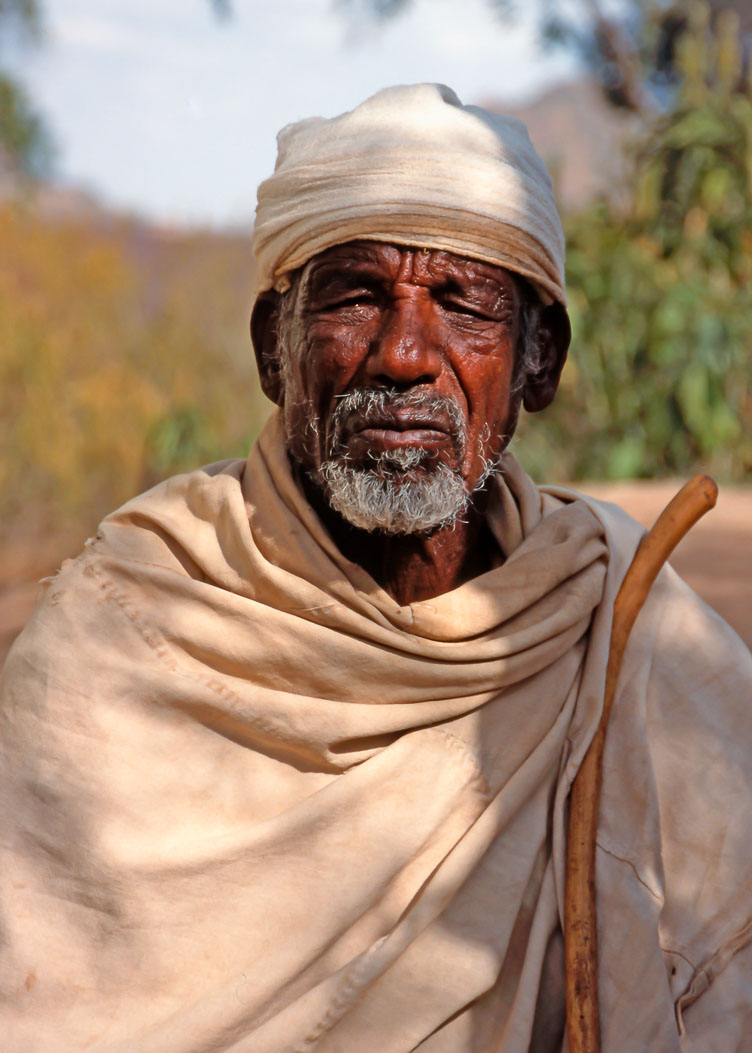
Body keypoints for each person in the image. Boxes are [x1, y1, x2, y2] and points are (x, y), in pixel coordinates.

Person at [1, 84, 751, 1053]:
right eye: (355, 299)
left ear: (539, 363)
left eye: (462, 307)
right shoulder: (133, 613)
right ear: (273, 351)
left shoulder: (622, 626)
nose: (403, 354)